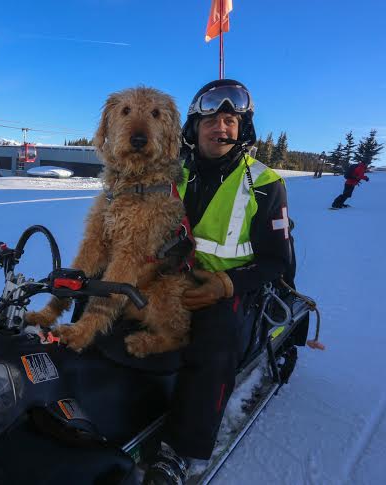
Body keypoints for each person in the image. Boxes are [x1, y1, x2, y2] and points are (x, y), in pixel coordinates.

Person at [143, 79, 294, 484]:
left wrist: (225, 286)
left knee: (213, 338)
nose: (221, 127)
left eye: (230, 120)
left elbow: (277, 260)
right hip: (170, 276)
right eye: (211, 119)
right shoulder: (173, 174)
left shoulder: (265, 184)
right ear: (194, 128)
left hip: (231, 289)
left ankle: (181, 450)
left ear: (243, 128)